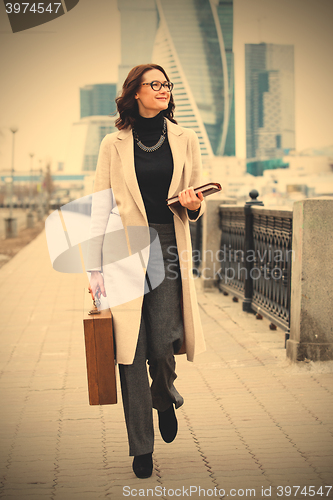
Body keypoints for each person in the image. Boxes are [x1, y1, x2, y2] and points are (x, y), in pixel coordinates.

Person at [88, 63, 206, 479]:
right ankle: (141, 448)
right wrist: (93, 268)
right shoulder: (112, 143)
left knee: (162, 341)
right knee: (129, 352)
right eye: (155, 84)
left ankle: (164, 394)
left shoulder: (184, 138)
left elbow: (194, 195)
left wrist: (194, 203)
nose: (164, 90)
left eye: (167, 84)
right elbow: (99, 205)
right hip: (124, 250)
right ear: (135, 92)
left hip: (168, 247)